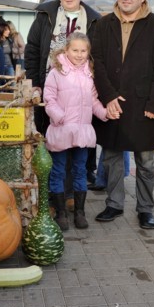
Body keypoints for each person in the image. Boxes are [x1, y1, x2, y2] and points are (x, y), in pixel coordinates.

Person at [92, 0, 154, 229]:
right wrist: (108, 97)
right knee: (111, 157)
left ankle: (145, 208)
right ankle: (114, 204)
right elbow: (98, 64)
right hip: (113, 101)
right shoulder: (104, 24)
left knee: (145, 162)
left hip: (142, 104)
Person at [44, 32, 109, 231]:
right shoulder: (56, 72)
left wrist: (105, 113)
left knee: (80, 171)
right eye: (75, 50)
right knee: (58, 171)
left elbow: (94, 100)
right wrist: (58, 115)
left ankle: (79, 212)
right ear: (66, 50)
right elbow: (49, 98)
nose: (79, 54)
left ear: (88, 52)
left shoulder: (89, 73)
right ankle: (61, 211)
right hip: (61, 130)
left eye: (83, 51)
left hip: (82, 132)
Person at [26, 0, 101, 135]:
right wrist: (34, 82)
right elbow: (32, 49)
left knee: (79, 136)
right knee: (48, 133)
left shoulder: (94, 20)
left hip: (81, 91)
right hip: (49, 85)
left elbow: (98, 56)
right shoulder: (44, 16)